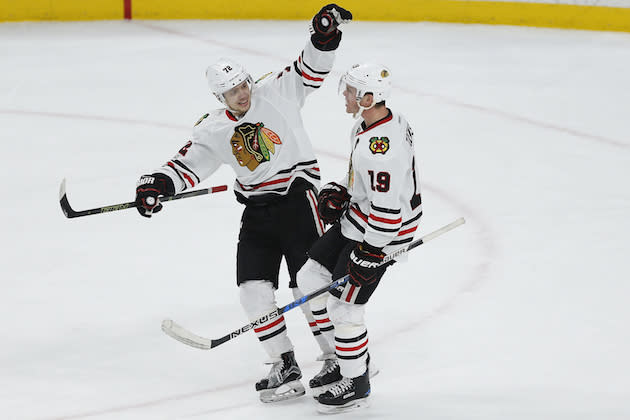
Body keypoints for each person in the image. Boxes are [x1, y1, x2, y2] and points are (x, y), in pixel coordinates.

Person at [133, 4, 352, 403]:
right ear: (221, 96)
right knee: (252, 291)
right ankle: (283, 363)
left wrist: (323, 36)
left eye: (244, 84)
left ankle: (337, 357)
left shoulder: (276, 92)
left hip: (298, 202)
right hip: (257, 213)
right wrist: (159, 183)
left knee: (309, 285)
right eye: (233, 91)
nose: (243, 92)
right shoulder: (213, 129)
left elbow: (310, 68)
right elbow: (189, 162)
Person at [296, 63, 423, 413]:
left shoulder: (380, 150)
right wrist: (346, 193)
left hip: (382, 233)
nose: (346, 96)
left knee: (345, 308)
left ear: (369, 98)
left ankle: (357, 382)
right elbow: (370, 187)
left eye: (352, 92)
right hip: (361, 218)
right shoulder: (372, 124)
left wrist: (371, 253)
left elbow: (387, 211)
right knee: (309, 277)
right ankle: (345, 357)